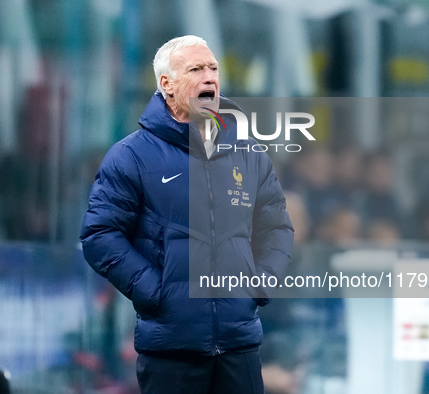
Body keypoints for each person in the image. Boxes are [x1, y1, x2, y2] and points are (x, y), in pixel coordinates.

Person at [80, 35, 294, 394]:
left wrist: (260, 283)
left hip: (238, 345)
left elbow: (276, 228)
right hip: (171, 349)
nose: (209, 77)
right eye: (196, 69)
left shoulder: (249, 153)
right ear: (167, 84)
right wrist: (155, 290)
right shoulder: (130, 156)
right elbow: (99, 235)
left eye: (213, 68)